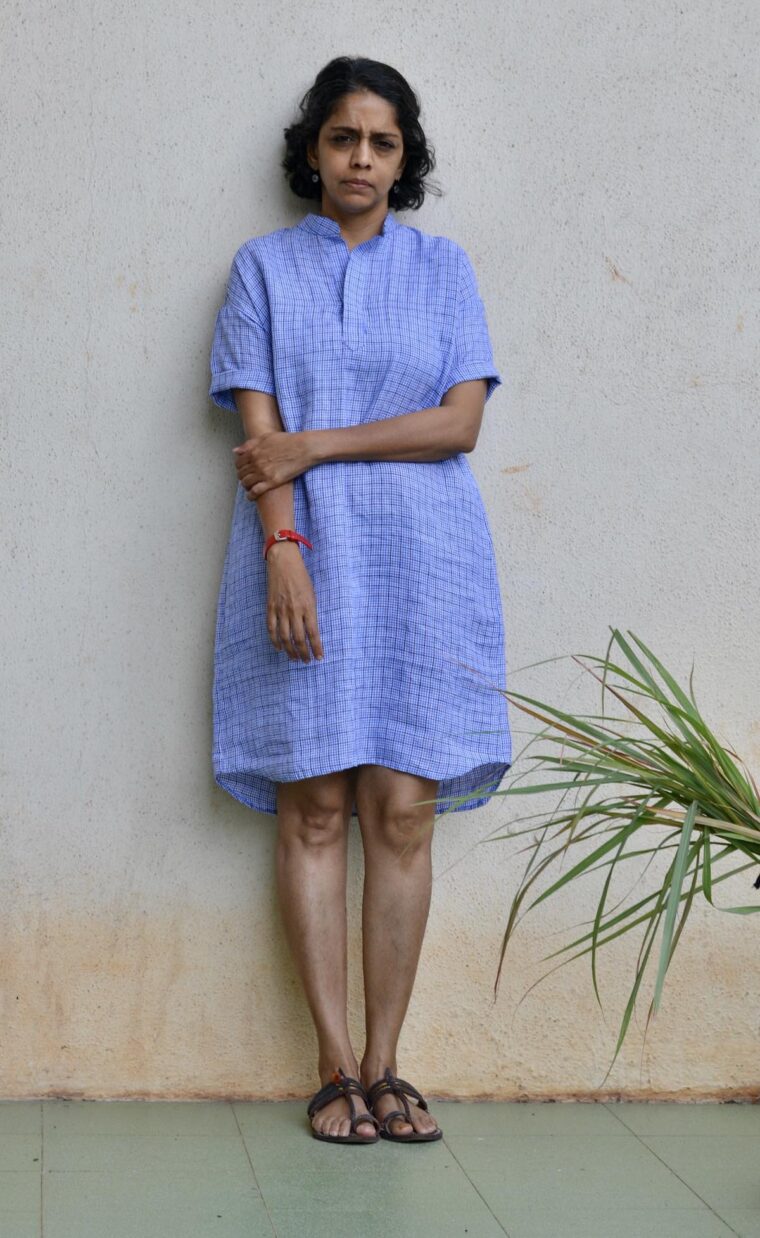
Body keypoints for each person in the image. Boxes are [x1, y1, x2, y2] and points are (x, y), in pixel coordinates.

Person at [208, 55, 512, 1145]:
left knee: (401, 806)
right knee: (316, 807)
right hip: (304, 555)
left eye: (383, 143)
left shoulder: (444, 269)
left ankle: (391, 1062)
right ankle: (333, 1065)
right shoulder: (261, 271)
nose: (362, 159)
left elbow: (458, 423)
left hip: (426, 564)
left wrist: (317, 440)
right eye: (344, 139)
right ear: (313, 150)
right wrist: (284, 546)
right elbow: (256, 435)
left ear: (404, 157)